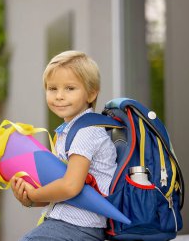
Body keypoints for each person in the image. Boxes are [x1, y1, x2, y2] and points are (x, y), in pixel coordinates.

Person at [10, 50, 117, 241]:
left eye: (70, 88)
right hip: (66, 225)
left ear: (91, 93)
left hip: (79, 226)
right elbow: (62, 192)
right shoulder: (68, 131)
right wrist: (30, 199)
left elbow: (70, 187)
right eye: (52, 89)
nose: (59, 96)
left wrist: (35, 194)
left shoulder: (87, 132)